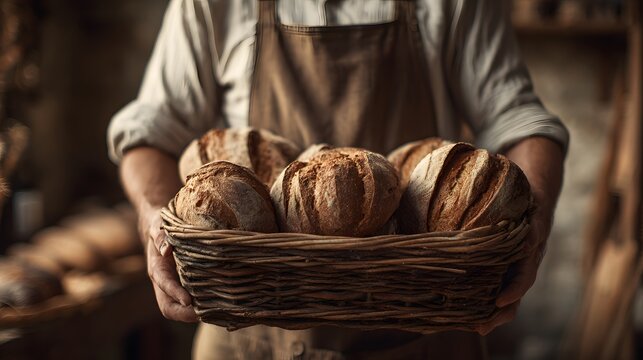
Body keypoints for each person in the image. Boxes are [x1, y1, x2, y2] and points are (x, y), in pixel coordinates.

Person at [108, 0, 569, 358]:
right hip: (249, 339)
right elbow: (149, 130)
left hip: (426, 333)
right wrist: (156, 220)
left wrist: (536, 221)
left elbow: (522, 121)